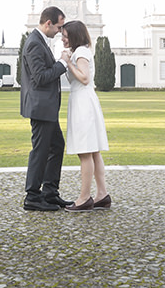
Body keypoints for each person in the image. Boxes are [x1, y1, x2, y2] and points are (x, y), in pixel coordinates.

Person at [21, 6, 72, 211]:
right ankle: (32, 196)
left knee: (56, 146)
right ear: (48, 23)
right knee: (40, 151)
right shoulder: (34, 43)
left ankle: (50, 192)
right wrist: (62, 63)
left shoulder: (40, 41)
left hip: (46, 107)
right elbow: (40, 77)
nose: (60, 32)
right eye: (59, 27)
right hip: (40, 107)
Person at [58, 20, 111, 212]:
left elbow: (85, 77)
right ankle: (102, 194)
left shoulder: (80, 52)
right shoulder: (81, 51)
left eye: (65, 35)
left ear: (74, 36)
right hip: (85, 100)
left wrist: (67, 63)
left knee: (86, 151)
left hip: (83, 103)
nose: (62, 39)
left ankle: (84, 197)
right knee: (93, 150)